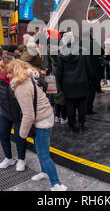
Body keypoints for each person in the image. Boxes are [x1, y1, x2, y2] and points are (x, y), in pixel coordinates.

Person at [6, 59, 67, 191]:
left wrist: (21, 134)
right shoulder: (27, 79)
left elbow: (28, 115)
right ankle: (44, 173)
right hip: (44, 117)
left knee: (44, 154)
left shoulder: (21, 87)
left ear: (16, 72)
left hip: (42, 121)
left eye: (10, 72)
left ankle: (56, 184)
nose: (7, 76)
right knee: (41, 152)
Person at [57, 32, 90, 132]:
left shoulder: (62, 53)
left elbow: (60, 71)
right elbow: (88, 68)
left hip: (68, 83)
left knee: (70, 104)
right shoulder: (83, 51)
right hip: (82, 81)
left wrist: (61, 84)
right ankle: (82, 123)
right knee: (82, 104)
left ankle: (71, 124)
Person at [86, 31, 104, 115]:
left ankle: (83, 108)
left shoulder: (79, 43)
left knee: (84, 90)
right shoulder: (94, 43)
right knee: (91, 91)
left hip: (83, 70)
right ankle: (89, 108)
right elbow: (102, 52)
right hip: (93, 70)